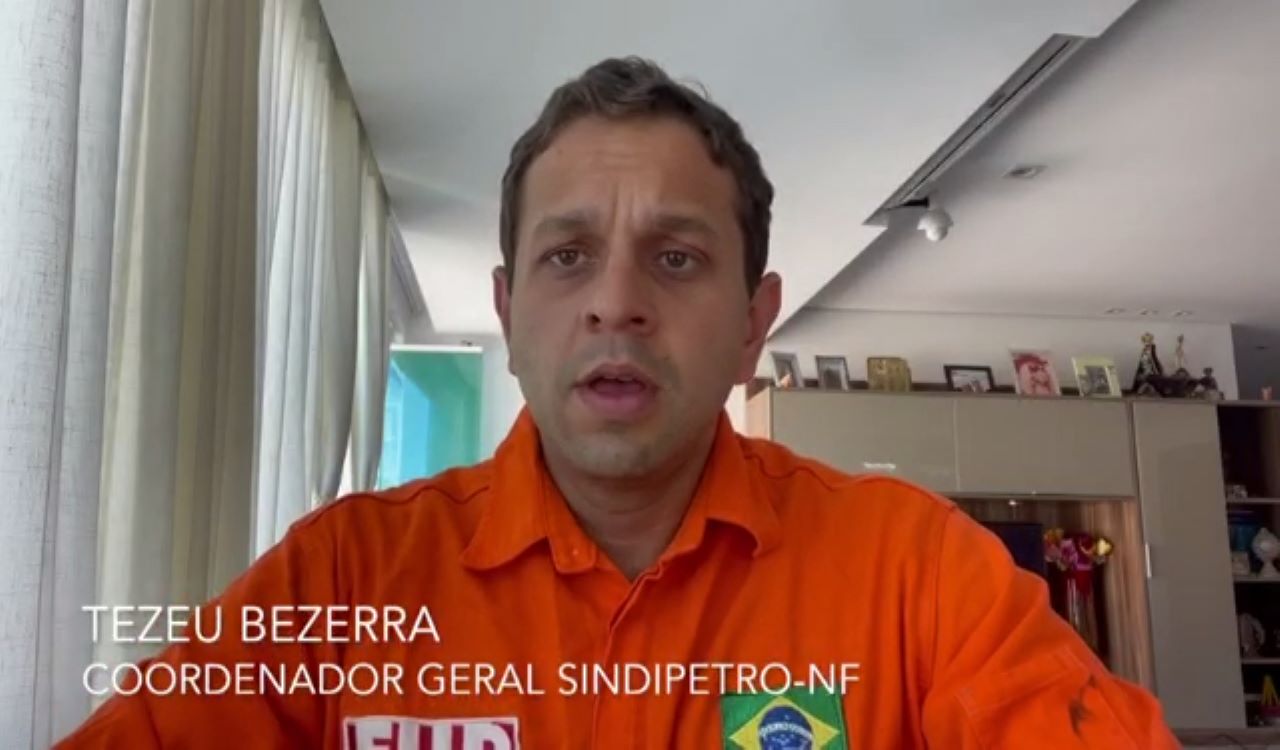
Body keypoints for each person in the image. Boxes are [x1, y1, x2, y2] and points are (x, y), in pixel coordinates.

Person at [59, 57, 1177, 748]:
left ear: (753, 322)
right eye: (567, 257)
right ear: (508, 313)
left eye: (676, 259)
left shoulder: (918, 574)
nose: (615, 304)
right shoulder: (342, 580)